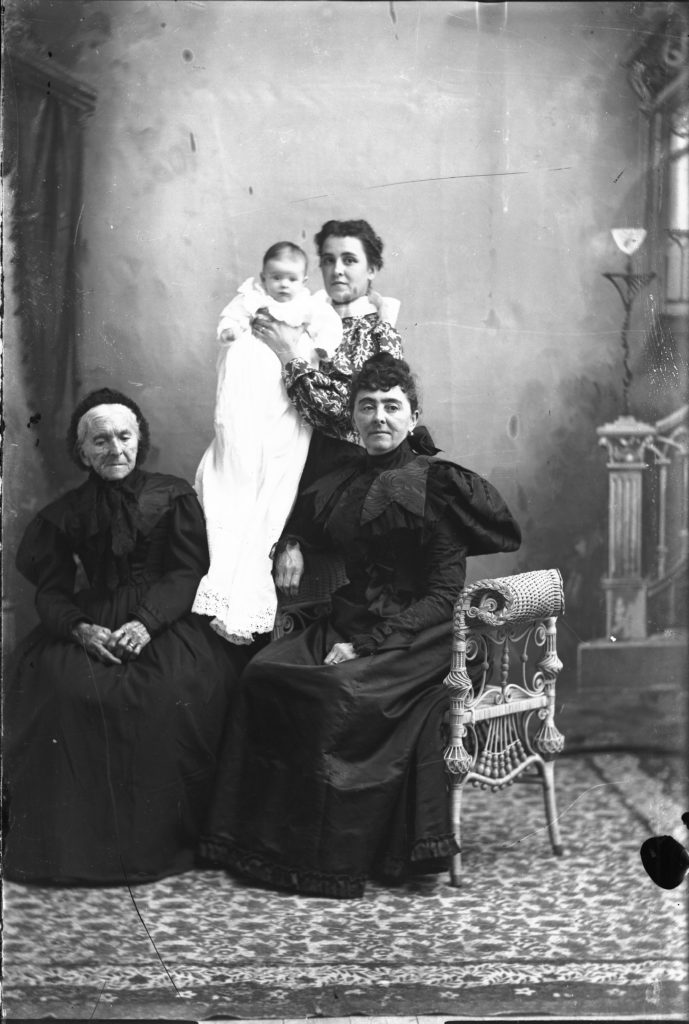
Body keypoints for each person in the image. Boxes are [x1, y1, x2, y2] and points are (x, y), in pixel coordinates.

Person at [199, 354, 522, 898]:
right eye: (367, 406)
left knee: (335, 693)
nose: (379, 418)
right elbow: (305, 522)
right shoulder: (342, 479)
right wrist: (292, 543)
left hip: (420, 636)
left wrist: (366, 644)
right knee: (262, 674)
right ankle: (258, 845)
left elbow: (443, 596)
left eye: (392, 406)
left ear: (413, 415)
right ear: (352, 416)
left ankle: (333, 856)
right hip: (349, 619)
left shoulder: (438, 485)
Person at [2, 388, 246, 885]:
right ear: (82, 451)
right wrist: (79, 628)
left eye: (124, 436)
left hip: (165, 619)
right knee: (63, 690)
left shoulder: (172, 495)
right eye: (100, 441)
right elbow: (51, 592)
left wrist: (145, 623)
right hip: (92, 622)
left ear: (140, 441)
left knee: (169, 691)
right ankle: (77, 847)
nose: (115, 448)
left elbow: (187, 572)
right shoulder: (65, 512)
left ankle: (157, 842)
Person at [192, 241, 343, 644]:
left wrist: (323, 346)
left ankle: (245, 602)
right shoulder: (252, 297)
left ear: (304, 280)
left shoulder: (310, 305)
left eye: (291, 279)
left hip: (281, 398)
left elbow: (329, 329)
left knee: (277, 463)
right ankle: (223, 586)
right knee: (236, 463)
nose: (283, 285)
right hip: (245, 398)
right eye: (276, 277)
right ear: (263, 277)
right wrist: (231, 330)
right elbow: (230, 318)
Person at [252, 218, 404, 450]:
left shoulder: (378, 332)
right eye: (328, 260)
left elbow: (347, 411)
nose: (337, 270)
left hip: (344, 456)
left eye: (349, 260)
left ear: (371, 269)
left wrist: (287, 352)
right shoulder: (302, 313)